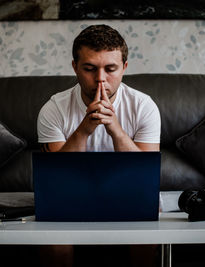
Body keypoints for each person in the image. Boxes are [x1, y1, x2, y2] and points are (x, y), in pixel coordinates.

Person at [36, 24, 161, 267]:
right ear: (75, 67)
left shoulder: (144, 106)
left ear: (124, 68)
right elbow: (57, 181)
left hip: (130, 197)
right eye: (90, 69)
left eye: (110, 69)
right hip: (69, 198)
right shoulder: (53, 109)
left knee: (145, 240)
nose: (101, 79)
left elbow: (143, 179)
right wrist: (84, 129)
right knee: (55, 245)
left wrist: (114, 128)